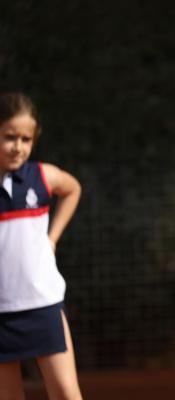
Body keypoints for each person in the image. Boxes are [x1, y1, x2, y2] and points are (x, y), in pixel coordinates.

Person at [0, 92, 83, 399]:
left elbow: (73, 188)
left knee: (65, 392)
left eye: (26, 138)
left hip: (42, 303)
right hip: (1, 311)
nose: (18, 146)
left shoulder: (42, 176)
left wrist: (52, 238)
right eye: (10, 137)